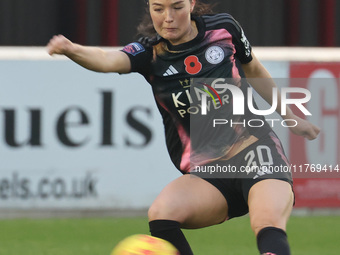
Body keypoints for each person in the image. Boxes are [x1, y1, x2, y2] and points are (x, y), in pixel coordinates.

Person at [47, 0, 320, 254]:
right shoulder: (149, 53)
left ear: (191, 4)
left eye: (177, 7)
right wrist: (73, 50)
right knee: (162, 212)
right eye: (158, 8)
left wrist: (289, 116)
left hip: (256, 151)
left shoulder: (224, 29)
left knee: (267, 222)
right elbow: (107, 61)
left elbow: (254, 69)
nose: (168, 18)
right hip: (209, 171)